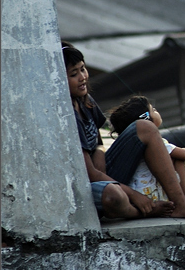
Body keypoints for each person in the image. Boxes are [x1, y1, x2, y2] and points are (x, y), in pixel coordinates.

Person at [63, 42, 174, 221]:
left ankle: (181, 203)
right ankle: (146, 210)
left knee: (144, 127)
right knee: (115, 196)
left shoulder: (85, 101)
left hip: (100, 172)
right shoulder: (66, 115)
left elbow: (97, 139)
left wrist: (100, 157)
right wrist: (133, 194)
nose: (82, 77)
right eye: (74, 74)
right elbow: (90, 174)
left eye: (83, 69)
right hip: (83, 183)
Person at [107, 95, 185, 204]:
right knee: (178, 157)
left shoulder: (130, 144)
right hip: (151, 196)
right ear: (146, 119)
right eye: (153, 110)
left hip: (136, 196)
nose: (157, 111)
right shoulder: (157, 142)